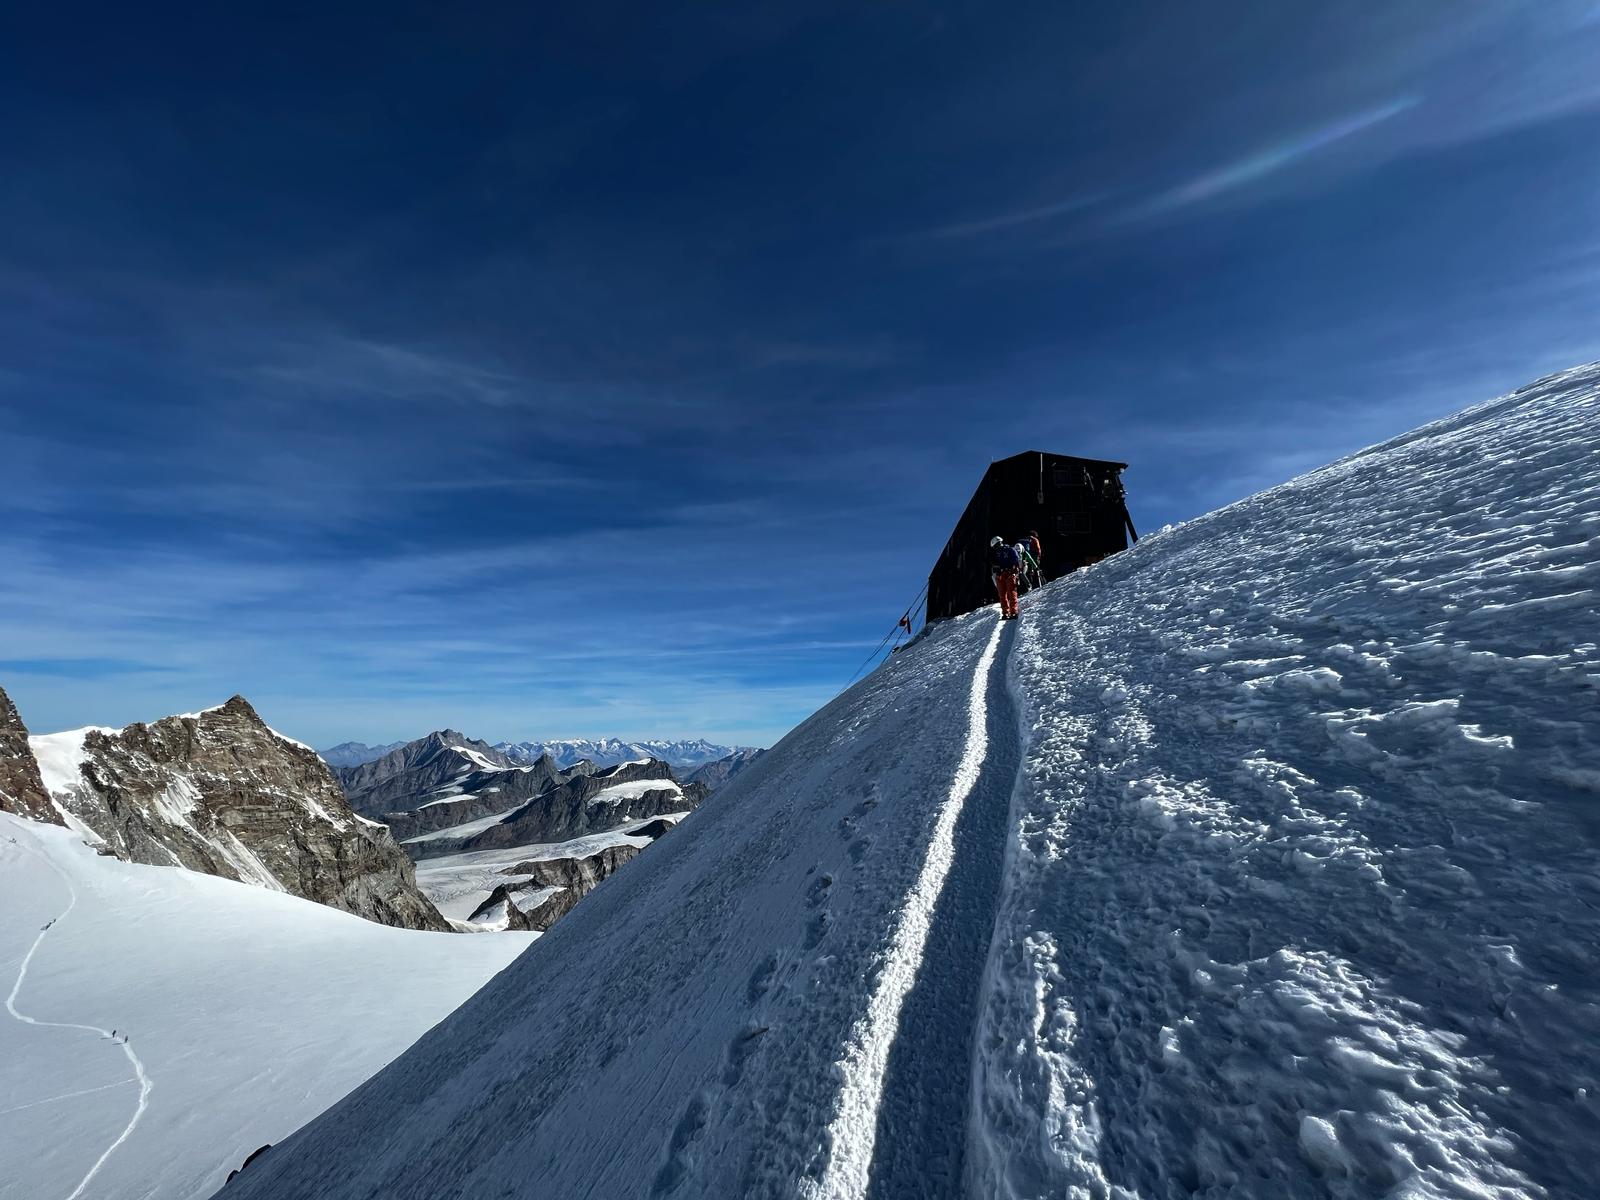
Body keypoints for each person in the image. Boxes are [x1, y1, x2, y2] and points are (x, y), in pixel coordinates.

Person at [989, 535, 1020, 619]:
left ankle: (1013, 612)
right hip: (1000, 575)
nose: (996, 548)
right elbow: (994, 564)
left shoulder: (1010, 550)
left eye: (996, 546)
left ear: (1000, 543)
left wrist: (1014, 571)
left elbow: (1016, 561)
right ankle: (1005, 613)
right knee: (1002, 595)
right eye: (995, 547)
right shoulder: (996, 554)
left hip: (1009, 574)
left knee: (1011, 593)